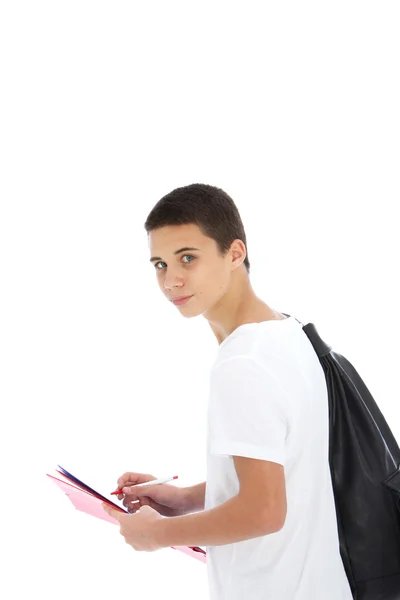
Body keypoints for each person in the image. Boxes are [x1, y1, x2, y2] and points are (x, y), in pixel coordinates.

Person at [102, 183, 353, 600]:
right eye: (160, 264)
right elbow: (287, 467)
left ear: (235, 253)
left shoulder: (242, 365)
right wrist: (184, 499)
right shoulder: (288, 332)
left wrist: (158, 534)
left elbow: (264, 511)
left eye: (188, 258)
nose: (171, 279)